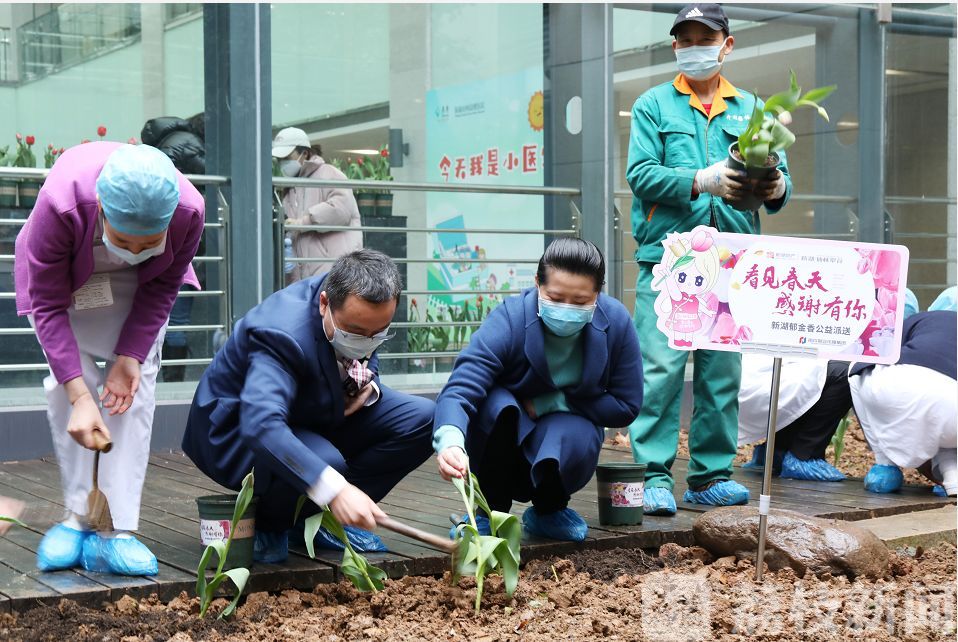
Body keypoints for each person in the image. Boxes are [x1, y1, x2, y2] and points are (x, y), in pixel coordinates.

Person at [625, 3, 793, 515]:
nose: (696, 47)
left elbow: (778, 182)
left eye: (706, 37)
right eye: (687, 39)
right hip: (670, 259)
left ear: (727, 43)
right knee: (660, 368)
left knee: (723, 372)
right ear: (676, 46)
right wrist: (700, 180)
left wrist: (778, 184)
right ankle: (652, 474)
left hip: (732, 259)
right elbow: (641, 174)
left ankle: (709, 476)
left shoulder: (752, 107)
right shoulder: (653, 105)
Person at [14, 142, 204, 575]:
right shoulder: (63, 201)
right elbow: (46, 304)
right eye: (122, 239)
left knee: (130, 394)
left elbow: (164, 286)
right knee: (70, 393)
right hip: (67, 284)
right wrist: (80, 393)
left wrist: (130, 355)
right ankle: (78, 518)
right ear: (100, 206)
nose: (133, 248)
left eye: (148, 241)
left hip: (140, 288)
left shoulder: (189, 210)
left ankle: (116, 531)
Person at [182, 250, 434, 562]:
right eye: (356, 333)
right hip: (237, 432)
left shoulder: (357, 310)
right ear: (325, 304)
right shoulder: (282, 332)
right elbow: (261, 424)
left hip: (313, 411)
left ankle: (317, 516)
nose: (367, 341)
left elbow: (366, 355)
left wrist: (365, 389)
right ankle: (271, 524)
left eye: (378, 333)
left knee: (423, 419)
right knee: (327, 463)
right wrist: (335, 489)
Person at [433, 239, 642, 542]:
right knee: (498, 405)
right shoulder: (511, 318)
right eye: (556, 297)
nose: (567, 309)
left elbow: (626, 403)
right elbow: (462, 386)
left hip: (561, 430)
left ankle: (550, 508)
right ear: (537, 285)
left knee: (575, 432)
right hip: (505, 432)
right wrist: (450, 441)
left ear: (598, 293)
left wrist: (555, 401)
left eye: (581, 301)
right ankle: (487, 513)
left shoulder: (616, 322)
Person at [738, 288, 920, 482]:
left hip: (753, 380)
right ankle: (804, 455)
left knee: (816, 382)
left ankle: (775, 452)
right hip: (762, 384)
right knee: (848, 374)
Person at [849, 310, 957, 497]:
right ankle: (952, 476)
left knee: (856, 369)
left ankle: (885, 466)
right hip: (952, 412)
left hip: (902, 391)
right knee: (942, 420)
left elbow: (873, 357)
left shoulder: (915, 322)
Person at [141, 114, 208, 382]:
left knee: (163, 304)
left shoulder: (167, 144)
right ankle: (173, 374)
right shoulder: (191, 145)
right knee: (178, 310)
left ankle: (163, 369)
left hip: (158, 234)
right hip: (180, 237)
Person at [271, 127, 361, 283]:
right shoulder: (289, 189)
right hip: (307, 277)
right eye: (279, 159)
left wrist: (302, 223)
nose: (282, 163)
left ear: (304, 153)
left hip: (335, 272)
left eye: (287, 157)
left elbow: (341, 209)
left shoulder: (328, 173)